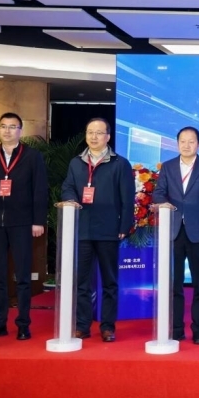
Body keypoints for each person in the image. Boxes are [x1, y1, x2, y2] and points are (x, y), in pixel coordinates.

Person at [0, 112, 49, 341]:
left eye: (12, 127)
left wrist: (38, 221)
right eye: (3, 126)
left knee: (23, 276)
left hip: (22, 223)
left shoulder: (32, 156)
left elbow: (40, 190)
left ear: (20, 131)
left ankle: (23, 324)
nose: (7, 131)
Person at [61, 118, 134, 342]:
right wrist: (70, 200)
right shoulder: (76, 163)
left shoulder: (120, 164)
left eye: (99, 133)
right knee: (82, 282)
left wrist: (124, 225)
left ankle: (108, 327)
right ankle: (82, 325)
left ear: (108, 137)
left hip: (109, 230)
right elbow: (67, 187)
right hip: (82, 229)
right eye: (90, 132)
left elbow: (127, 197)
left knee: (109, 282)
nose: (94, 137)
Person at [152, 126, 199, 345]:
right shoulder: (168, 167)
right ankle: (177, 329)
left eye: (191, 141)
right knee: (175, 284)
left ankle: (198, 329)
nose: (186, 145)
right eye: (182, 141)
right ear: (177, 143)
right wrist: (164, 204)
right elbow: (158, 193)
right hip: (173, 232)